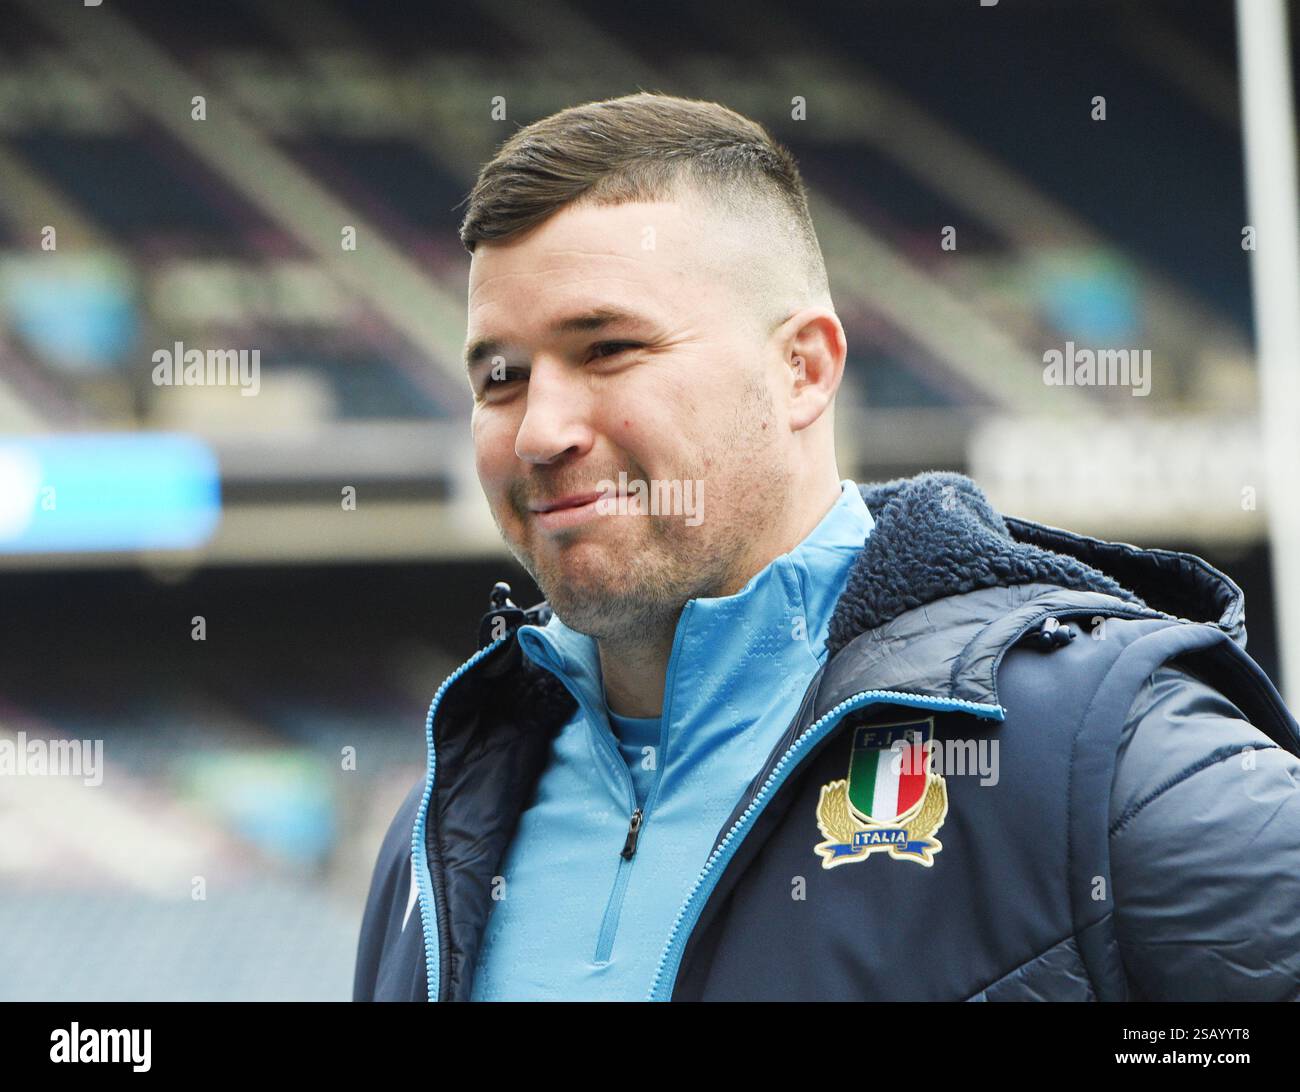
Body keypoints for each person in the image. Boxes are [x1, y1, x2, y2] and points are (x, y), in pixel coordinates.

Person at [353, 92, 1300, 1002]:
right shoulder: (438, 839)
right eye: (501, 377)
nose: (538, 432)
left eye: (607, 350)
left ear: (801, 369)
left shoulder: (1085, 743)